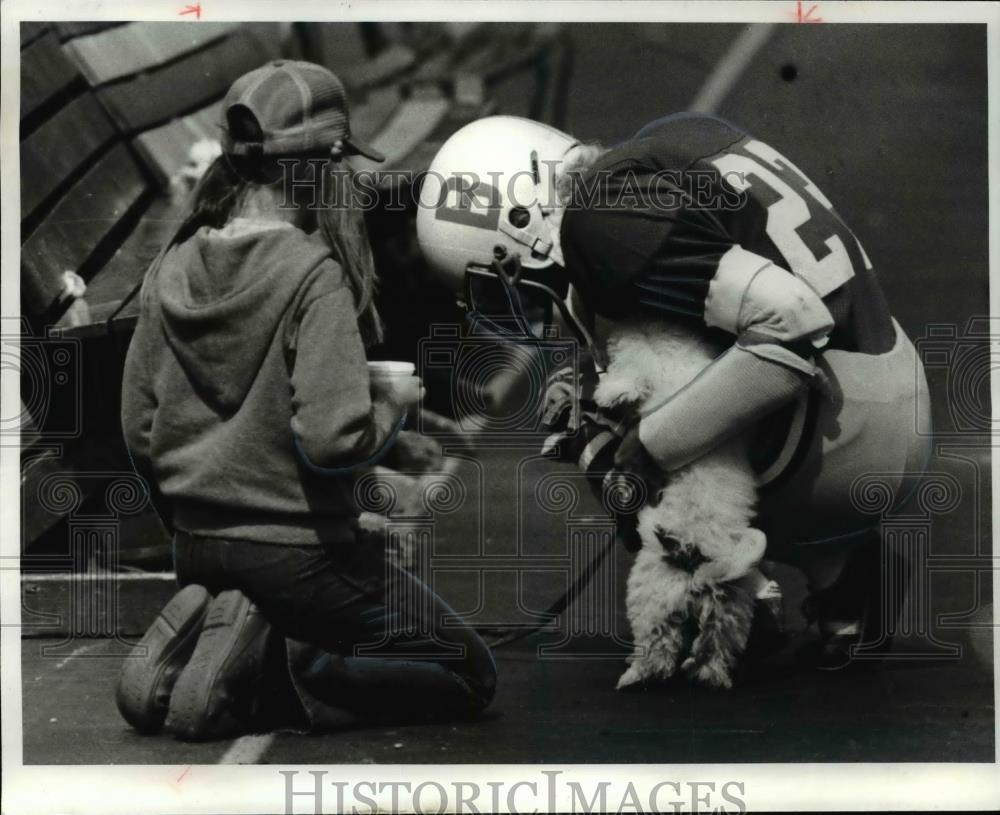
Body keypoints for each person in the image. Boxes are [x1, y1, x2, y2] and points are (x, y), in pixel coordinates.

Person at [415, 113, 932, 670]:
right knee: (632, 372)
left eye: (498, 287)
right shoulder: (672, 141)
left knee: (604, 429)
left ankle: (738, 593)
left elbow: (792, 324)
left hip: (845, 435)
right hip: (890, 385)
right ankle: (840, 578)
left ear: (518, 222)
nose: (514, 308)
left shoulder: (600, 222)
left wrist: (651, 446)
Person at [118, 60, 496, 741]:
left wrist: (204, 513)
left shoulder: (168, 268)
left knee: (289, 593)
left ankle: (215, 634)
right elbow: (329, 440)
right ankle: (273, 671)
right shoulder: (310, 274)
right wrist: (392, 407)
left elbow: (139, 430)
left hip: (195, 548)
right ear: (320, 168)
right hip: (296, 557)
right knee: (468, 675)